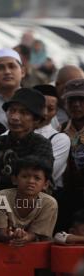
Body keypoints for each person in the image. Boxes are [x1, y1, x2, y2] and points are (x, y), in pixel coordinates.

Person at [0, 88, 53, 191]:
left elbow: (35, 175)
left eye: (23, 113)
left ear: (36, 119)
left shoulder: (41, 144)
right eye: (12, 111)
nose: (14, 117)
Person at [0, 156, 58, 245]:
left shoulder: (49, 203)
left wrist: (26, 237)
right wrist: (11, 236)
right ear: (14, 179)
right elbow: (2, 234)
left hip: (34, 247)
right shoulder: (0, 198)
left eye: (37, 178)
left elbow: (35, 234)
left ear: (45, 185)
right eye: (25, 176)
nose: (31, 181)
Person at [33, 84, 70, 191]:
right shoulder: (8, 134)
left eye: (50, 108)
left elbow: (46, 174)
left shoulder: (60, 139)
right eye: (41, 107)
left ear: (56, 111)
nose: (45, 113)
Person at [61, 79, 84, 231]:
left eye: (82, 100)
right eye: (72, 100)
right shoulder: (60, 129)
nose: (76, 104)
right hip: (68, 194)